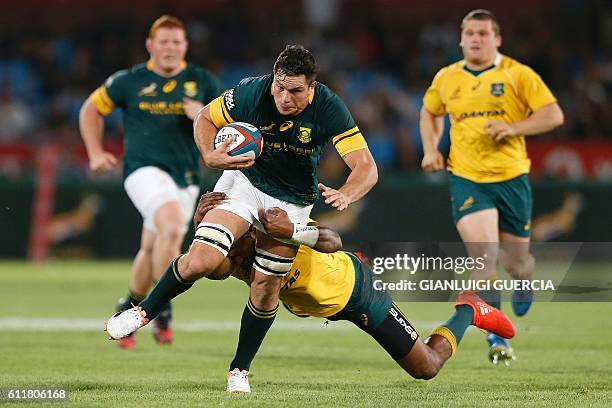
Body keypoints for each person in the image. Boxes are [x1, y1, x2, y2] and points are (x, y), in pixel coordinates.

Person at [105, 45, 378, 372]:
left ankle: (239, 370)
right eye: (280, 87)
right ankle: (143, 312)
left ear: (312, 89)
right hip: (245, 181)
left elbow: (366, 167)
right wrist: (210, 154)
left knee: (265, 290)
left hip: (291, 202)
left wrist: (346, 194)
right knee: (201, 261)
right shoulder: (252, 92)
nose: (284, 98)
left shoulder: (329, 108)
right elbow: (206, 117)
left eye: (295, 91)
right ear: (273, 79)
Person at [146, 191, 516, 393]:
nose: (224, 241)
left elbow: (331, 239)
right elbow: (203, 267)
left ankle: (469, 309)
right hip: (327, 305)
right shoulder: (228, 256)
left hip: (358, 291)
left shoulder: (272, 226)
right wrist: (201, 226)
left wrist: (292, 230)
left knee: (427, 369)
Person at [419, 9, 564, 364]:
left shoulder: (517, 74)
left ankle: (524, 277)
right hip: (468, 179)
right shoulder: (447, 77)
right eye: (469, 32)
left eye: (483, 33)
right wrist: (430, 148)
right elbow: (430, 112)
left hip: (512, 178)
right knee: (484, 260)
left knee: (517, 262)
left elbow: (553, 114)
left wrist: (513, 128)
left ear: (497, 39)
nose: (475, 39)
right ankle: (497, 339)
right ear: (460, 39)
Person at [80, 15, 225, 349]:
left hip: (186, 177)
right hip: (142, 170)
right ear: (151, 45)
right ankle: (160, 310)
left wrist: (204, 114)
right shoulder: (129, 80)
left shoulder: (203, 81)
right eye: (164, 41)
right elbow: (91, 109)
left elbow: (232, 127)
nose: (171, 48)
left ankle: (128, 305)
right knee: (173, 228)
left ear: (186, 46)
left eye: (177, 41)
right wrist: (95, 152)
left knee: (152, 246)